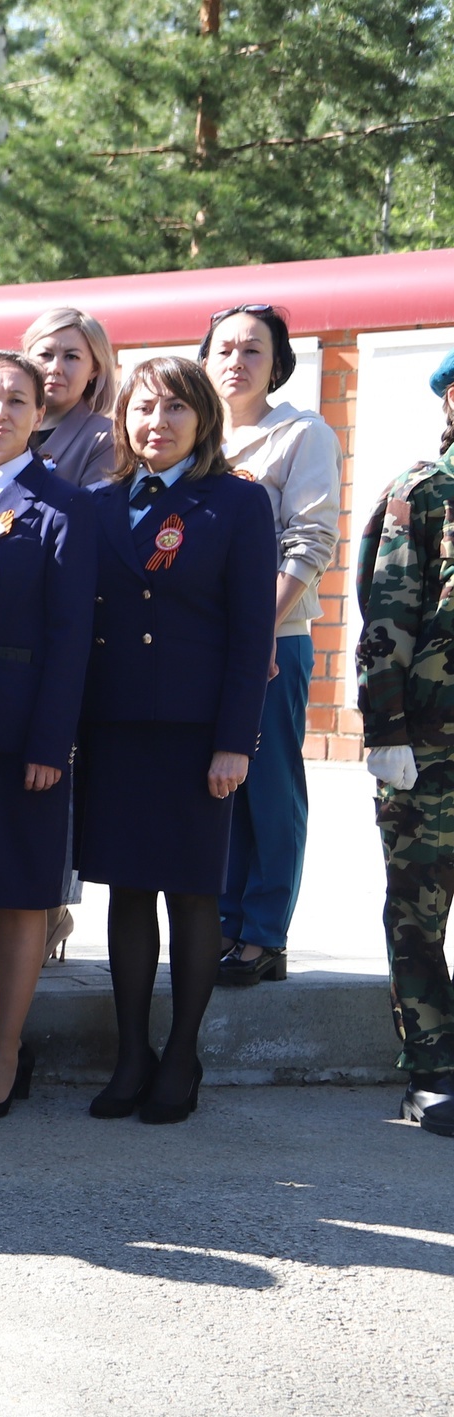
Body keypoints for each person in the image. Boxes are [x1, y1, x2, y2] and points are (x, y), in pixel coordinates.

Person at [77, 356, 278, 1124]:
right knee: (127, 892)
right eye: (141, 410)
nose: (155, 423)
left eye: (173, 410)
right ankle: (132, 1053)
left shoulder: (236, 504)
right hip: (117, 730)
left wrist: (236, 741)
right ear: (122, 420)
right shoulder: (97, 505)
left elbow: (249, 631)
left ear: (202, 418)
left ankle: (183, 1053)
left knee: (193, 894)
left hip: (199, 738)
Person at [0, 352, 95, 1119]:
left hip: (24, 732)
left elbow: (71, 640)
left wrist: (49, 743)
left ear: (40, 415)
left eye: (17, 401)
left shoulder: (63, 508)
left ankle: (7, 1054)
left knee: (24, 890)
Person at [204, 304, 340, 987]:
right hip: (202, 645)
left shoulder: (301, 434)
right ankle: (226, 923)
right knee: (220, 788)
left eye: (253, 349)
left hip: (272, 642)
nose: (237, 360)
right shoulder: (195, 438)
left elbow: (310, 542)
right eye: (224, 347)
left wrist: (259, 630)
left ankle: (264, 934)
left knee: (270, 790)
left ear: (277, 364)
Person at [353, 352, 454, 1135]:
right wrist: (386, 732)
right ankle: (432, 1067)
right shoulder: (423, 494)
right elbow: (385, 620)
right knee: (419, 911)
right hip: (432, 747)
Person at [22, 306, 118, 487]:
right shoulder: (1, 425)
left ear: (94, 369)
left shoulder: (106, 439)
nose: (55, 368)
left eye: (71, 357)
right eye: (45, 355)